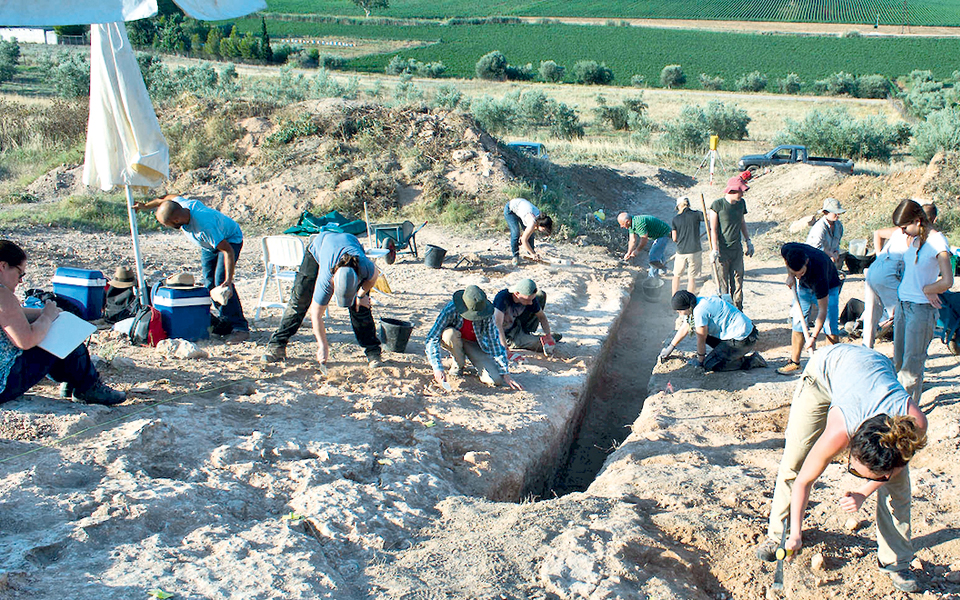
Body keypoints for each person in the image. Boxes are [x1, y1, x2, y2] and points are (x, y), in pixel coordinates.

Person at [757, 344, 928, 593]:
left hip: (872, 367)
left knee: (899, 488)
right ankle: (778, 535)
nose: (854, 475)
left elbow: (899, 467)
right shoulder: (841, 428)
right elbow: (804, 480)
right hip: (824, 372)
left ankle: (896, 562)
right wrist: (795, 533)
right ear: (851, 442)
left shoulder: (914, 424)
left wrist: (864, 491)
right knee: (795, 460)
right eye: (854, 469)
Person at [0, 240, 125, 406]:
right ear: (3, 266)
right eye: (19, 274)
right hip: (5, 384)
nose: (21, 281)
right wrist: (47, 317)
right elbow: (26, 340)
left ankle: (72, 380)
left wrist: (47, 314)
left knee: (53, 324)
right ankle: (87, 386)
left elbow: (12, 316)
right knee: (59, 330)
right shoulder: (3, 295)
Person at [136, 194, 249, 342]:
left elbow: (227, 250)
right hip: (209, 245)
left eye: (167, 224)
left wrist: (228, 280)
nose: (167, 227)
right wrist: (145, 206)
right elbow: (166, 198)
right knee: (209, 282)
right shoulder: (179, 204)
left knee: (221, 282)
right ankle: (225, 320)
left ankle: (240, 328)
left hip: (229, 240)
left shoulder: (204, 225)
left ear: (176, 220)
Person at [261, 231, 382, 368]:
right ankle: (277, 345)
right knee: (300, 300)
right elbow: (316, 314)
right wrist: (322, 346)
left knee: (360, 306)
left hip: (349, 241)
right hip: (318, 248)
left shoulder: (365, 267)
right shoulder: (326, 279)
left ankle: (373, 351)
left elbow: (372, 279)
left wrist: (360, 295)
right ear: (332, 282)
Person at [892, 199, 953, 403]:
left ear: (918, 221)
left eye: (904, 227)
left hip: (920, 310)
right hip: (903, 305)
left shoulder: (938, 242)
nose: (903, 232)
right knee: (899, 362)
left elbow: (947, 280)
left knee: (911, 366)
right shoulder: (917, 240)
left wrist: (928, 289)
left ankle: (906, 417)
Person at [425, 285, 522, 390]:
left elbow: (494, 342)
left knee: (495, 380)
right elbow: (432, 338)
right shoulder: (451, 309)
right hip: (454, 338)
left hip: (475, 343)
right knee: (450, 334)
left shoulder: (487, 313)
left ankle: (471, 362)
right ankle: (458, 364)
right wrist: (437, 368)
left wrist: (505, 373)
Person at [778, 242, 842, 375]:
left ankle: (831, 368)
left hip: (830, 286)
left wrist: (813, 337)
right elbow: (787, 260)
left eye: (800, 273)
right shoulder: (787, 250)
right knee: (798, 321)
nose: (799, 277)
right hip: (805, 288)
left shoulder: (820, 275)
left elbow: (822, 311)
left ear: (806, 262)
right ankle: (795, 363)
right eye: (796, 274)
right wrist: (790, 276)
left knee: (830, 326)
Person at [660, 290, 765, 371]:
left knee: (710, 364)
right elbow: (685, 327)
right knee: (703, 333)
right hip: (742, 333)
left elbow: (700, 339)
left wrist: (700, 361)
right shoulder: (697, 302)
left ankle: (751, 361)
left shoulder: (699, 311)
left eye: (679, 311)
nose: (679, 313)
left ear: (687, 307)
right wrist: (670, 348)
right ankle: (730, 354)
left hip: (744, 339)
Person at [863, 221, 911, 349]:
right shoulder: (914, 236)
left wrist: (879, 255)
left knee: (871, 313)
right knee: (902, 314)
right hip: (889, 272)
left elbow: (878, 233)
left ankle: (866, 348)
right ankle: (901, 353)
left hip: (874, 268)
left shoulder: (897, 230)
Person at [709, 176, 754, 310]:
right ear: (733, 191)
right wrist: (715, 250)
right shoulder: (717, 205)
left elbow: (742, 222)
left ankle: (738, 311)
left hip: (736, 250)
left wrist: (748, 241)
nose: (743, 194)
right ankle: (726, 312)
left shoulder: (741, 204)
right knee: (723, 286)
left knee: (738, 283)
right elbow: (713, 230)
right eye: (741, 191)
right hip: (722, 251)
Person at [493, 278, 559, 355]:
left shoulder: (528, 298)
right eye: (527, 300)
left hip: (517, 324)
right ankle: (524, 340)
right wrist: (505, 349)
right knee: (541, 345)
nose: (530, 303)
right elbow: (497, 325)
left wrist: (548, 335)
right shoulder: (502, 298)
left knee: (541, 295)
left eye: (531, 299)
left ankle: (530, 334)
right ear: (517, 293)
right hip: (508, 334)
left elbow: (541, 316)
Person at [504, 198, 553, 266]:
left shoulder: (540, 218)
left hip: (521, 209)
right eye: (544, 229)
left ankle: (531, 254)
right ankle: (515, 256)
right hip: (510, 209)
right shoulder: (532, 222)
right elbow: (524, 240)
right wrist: (533, 253)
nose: (543, 231)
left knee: (530, 235)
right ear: (540, 225)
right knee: (516, 233)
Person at [670, 196, 703, 296]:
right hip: (695, 250)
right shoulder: (697, 214)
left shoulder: (675, 219)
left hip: (681, 251)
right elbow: (708, 217)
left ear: (680, 206)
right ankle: (689, 299)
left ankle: (674, 298)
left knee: (676, 276)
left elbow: (674, 238)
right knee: (692, 277)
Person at [806, 197, 846, 266]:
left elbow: (837, 244)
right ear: (826, 212)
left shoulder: (839, 226)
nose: (838, 215)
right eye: (835, 212)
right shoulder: (819, 227)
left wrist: (836, 253)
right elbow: (814, 249)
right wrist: (829, 254)